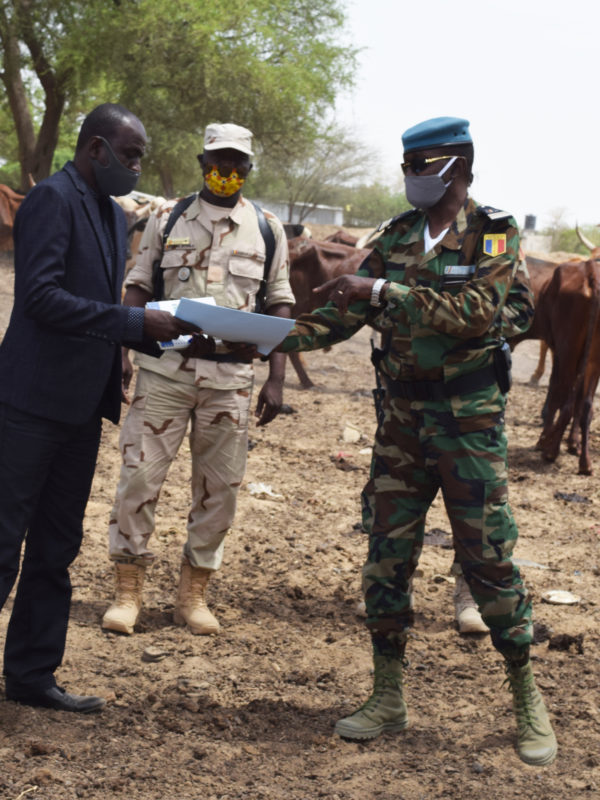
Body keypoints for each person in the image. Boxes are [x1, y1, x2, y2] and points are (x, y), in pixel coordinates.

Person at [279, 117, 557, 766]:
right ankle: (387, 697)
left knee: (489, 562)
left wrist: (380, 289)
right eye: (404, 166)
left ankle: (526, 696)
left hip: (468, 428)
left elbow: (479, 314)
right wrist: (263, 341)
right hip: (400, 424)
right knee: (385, 558)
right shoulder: (399, 234)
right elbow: (342, 313)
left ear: (454, 167)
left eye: (417, 167)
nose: (407, 177)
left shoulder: (493, 230)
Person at [0, 103, 197, 713]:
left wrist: (169, 333)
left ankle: (32, 677)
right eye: (130, 155)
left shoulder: (114, 219)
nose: (137, 167)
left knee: (56, 549)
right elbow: (42, 299)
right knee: (2, 543)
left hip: (83, 410)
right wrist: (134, 320)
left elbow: (102, 310)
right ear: (94, 150)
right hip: (28, 405)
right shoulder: (51, 200)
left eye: (140, 156)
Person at [102, 122, 295, 637]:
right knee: (139, 477)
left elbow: (278, 302)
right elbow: (138, 287)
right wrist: (124, 349)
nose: (226, 172)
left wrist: (276, 379)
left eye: (236, 164)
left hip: (230, 381)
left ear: (248, 169)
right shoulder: (167, 217)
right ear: (201, 163)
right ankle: (128, 591)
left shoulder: (269, 228)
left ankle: (193, 595)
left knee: (219, 490)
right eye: (217, 162)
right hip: (164, 373)